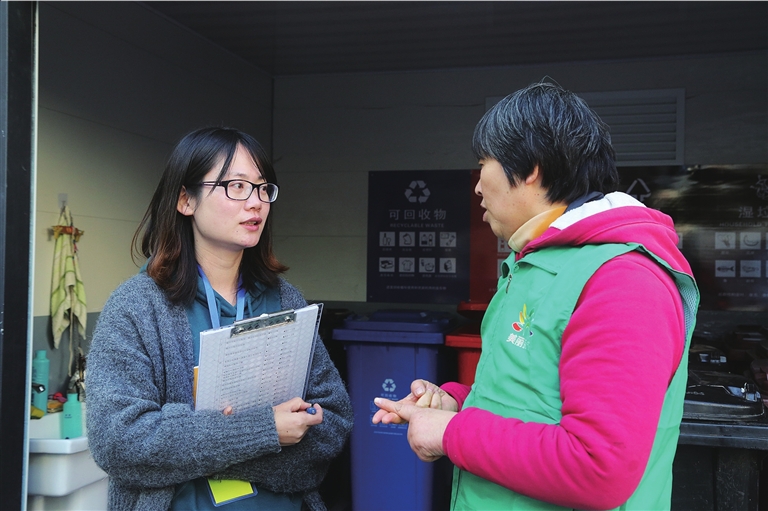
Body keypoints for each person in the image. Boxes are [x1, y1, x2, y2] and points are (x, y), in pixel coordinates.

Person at [373, 81, 699, 510]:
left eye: (483, 163)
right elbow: (536, 400)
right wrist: (456, 401)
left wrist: (451, 434)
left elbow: (598, 466)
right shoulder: (535, 264)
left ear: (530, 168)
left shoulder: (623, 280)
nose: (476, 186)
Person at [86, 126, 354, 511]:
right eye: (237, 186)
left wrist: (202, 445)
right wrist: (264, 431)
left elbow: (332, 424)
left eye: (263, 189)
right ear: (185, 200)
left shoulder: (284, 301)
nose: (256, 203)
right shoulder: (137, 307)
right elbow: (120, 442)